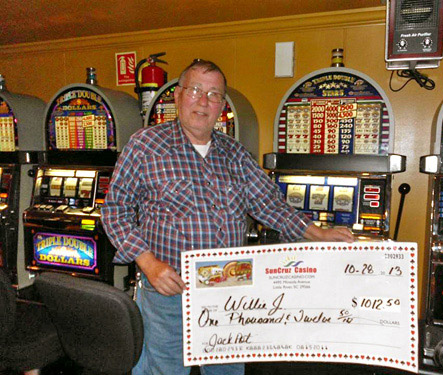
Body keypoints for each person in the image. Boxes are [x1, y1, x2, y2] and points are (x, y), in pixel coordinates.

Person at [101, 58, 354, 375]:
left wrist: (317, 232)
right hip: (168, 292)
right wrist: (148, 263)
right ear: (177, 96)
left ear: (222, 105)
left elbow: (269, 204)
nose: (203, 101)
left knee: (226, 372)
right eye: (195, 90)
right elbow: (114, 210)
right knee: (164, 371)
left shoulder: (235, 153)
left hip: (229, 292)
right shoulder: (145, 145)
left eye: (214, 94)